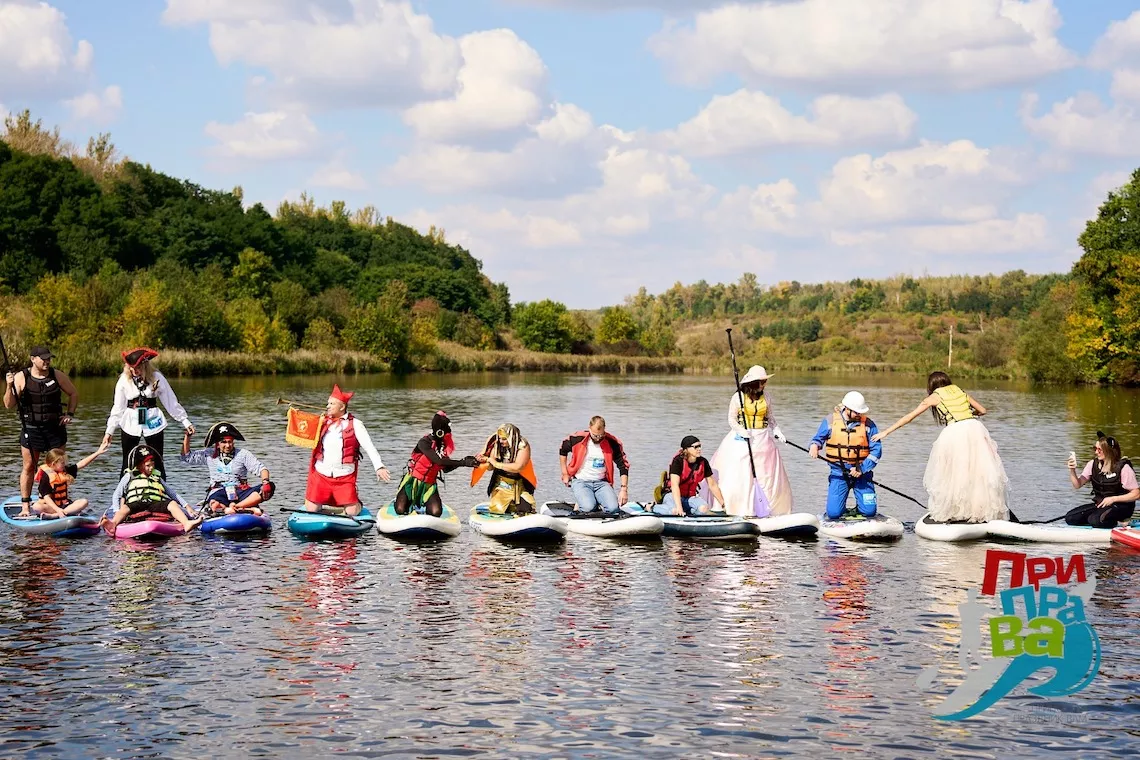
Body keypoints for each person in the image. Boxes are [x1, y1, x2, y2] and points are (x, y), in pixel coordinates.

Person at [872, 371, 1009, 523]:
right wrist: (969, 414)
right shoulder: (959, 391)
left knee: (954, 473)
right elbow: (982, 411)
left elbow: (909, 417)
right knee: (978, 473)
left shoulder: (934, 397)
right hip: (976, 429)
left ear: (931, 386)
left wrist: (885, 432)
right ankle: (980, 512)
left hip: (956, 432)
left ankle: (958, 511)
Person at [3, 345, 79, 515]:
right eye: (43, 358)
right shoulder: (22, 377)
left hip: (55, 429)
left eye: (49, 358)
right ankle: (25, 506)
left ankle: (60, 501)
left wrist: (70, 414)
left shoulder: (56, 375)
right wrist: (9, 386)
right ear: (33, 359)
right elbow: (8, 404)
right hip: (32, 428)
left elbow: (73, 393)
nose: (47, 361)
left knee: (58, 467)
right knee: (29, 466)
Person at [709, 365, 793, 516]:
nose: (764, 385)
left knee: (765, 474)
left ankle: (770, 509)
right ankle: (737, 508)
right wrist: (742, 430)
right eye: (762, 382)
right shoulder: (738, 397)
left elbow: (770, 418)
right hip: (742, 438)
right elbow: (731, 419)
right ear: (753, 383)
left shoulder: (766, 397)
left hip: (763, 439)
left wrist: (777, 430)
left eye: (765, 382)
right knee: (741, 473)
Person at [102, 347, 195, 477]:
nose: (135, 371)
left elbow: (170, 401)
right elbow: (118, 407)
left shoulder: (156, 378)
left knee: (157, 459)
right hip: (130, 422)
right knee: (128, 460)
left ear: (145, 366)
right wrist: (109, 431)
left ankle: (160, 490)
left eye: (138, 367)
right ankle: (125, 492)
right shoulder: (124, 380)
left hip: (153, 421)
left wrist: (185, 421)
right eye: (132, 368)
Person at [304, 384, 390, 517]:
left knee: (351, 512)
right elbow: (302, 430)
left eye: (331, 404)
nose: (327, 406)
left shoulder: (355, 424)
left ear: (342, 407)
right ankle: (329, 510)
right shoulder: (322, 422)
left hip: (344, 476)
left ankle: (356, 504)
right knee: (311, 509)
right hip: (322, 473)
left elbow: (369, 446)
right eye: (328, 403)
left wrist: (379, 467)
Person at [809, 391, 883, 520]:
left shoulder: (869, 425)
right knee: (834, 513)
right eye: (856, 412)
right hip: (838, 473)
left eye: (860, 412)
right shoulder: (830, 421)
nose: (858, 415)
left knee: (869, 511)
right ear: (846, 409)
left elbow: (876, 451)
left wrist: (862, 468)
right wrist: (814, 446)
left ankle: (860, 508)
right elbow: (818, 439)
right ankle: (840, 508)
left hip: (862, 474)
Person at [101, 444, 202, 536]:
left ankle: (186, 523)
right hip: (137, 503)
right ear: (139, 465)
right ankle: (113, 524)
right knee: (125, 508)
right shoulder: (129, 476)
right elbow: (117, 494)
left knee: (172, 504)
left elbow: (172, 493)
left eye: (152, 465)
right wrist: (116, 510)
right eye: (148, 466)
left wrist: (187, 506)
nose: (151, 468)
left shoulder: (157, 477)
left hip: (155, 503)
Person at [395, 411, 481, 517]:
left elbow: (445, 468)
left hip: (429, 485)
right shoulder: (424, 442)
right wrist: (463, 462)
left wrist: (466, 460)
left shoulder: (442, 447)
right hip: (412, 482)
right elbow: (438, 461)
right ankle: (405, 500)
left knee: (436, 512)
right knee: (400, 509)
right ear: (440, 431)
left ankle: (423, 504)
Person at [180, 421, 274, 516]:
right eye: (224, 442)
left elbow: (262, 469)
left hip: (240, 491)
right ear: (217, 443)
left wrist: (265, 482)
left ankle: (236, 507)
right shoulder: (209, 454)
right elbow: (187, 457)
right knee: (215, 504)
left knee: (270, 486)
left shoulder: (243, 454)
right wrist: (188, 437)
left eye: (230, 442)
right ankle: (242, 508)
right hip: (219, 491)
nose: (228, 445)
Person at [1064, 431, 1138, 528]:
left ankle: (1121, 523)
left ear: (1109, 451)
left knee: (1095, 520)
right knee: (1070, 518)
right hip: (1101, 505)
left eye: (1099, 450)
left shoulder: (1123, 468)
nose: (1096, 452)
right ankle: (1099, 520)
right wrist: (1072, 470)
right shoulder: (1092, 464)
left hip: (1121, 507)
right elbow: (1077, 485)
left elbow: (1136, 494)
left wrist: (1113, 499)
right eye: (1095, 449)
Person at [559, 416, 630, 514]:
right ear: (589, 429)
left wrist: (624, 489)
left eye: (601, 435)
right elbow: (562, 451)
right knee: (588, 508)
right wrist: (564, 473)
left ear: (604, 430)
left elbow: (623, 466)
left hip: (602, 483)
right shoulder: (577, 438)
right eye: (595, 435)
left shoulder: (612, 442)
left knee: (613, 509)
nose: (598, 438)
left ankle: (595, 500)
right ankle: (584, 504)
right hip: (581, 481)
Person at [30, 441, 110, 518]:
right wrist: (57, 509)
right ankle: (67, 512)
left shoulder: (64, 470)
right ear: (53, 464)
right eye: (62, 463)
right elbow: (47, 498)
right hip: (51, 507)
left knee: (84, 502)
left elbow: (82, 464)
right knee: (37, 507)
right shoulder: (46, 476)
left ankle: (54, 516)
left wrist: (98, 452)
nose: (64, 464)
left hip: (64, 506)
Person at [651, 435, 727, 516]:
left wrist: (723, 504)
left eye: (700, 446)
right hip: (672, 495)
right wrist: (679, 508)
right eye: (696, 447)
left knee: (703, 508)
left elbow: (712, 485)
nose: (699, 449)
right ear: (686, 449)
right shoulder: (678, 461)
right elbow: (674, 485)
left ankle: (688, 512)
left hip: (689, 497)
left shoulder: (703, 462)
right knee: (674, 511)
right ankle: (652, 507)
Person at [474, 423, 537, 515]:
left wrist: (495, 463)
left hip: (520, 486)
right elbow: (491, 467)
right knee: (497, 510)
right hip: (502, 485)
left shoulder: (522, 445)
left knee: (527, 510)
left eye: (504, 439)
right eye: (499, 438)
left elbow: (518, 467)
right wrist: (483, 461)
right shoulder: (497, 444)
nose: (501, 441)